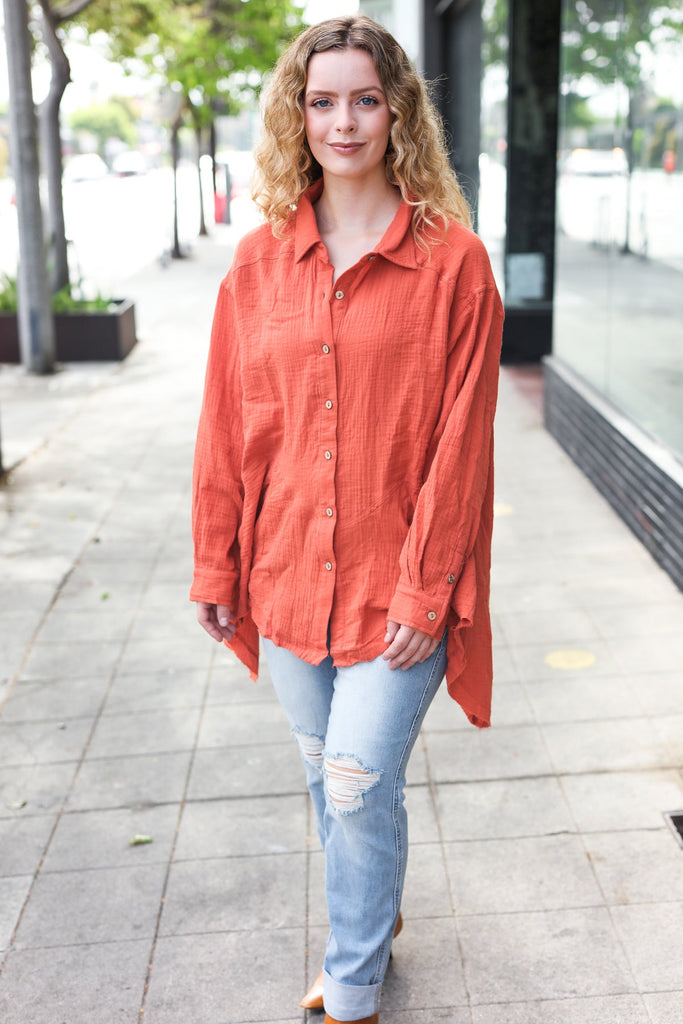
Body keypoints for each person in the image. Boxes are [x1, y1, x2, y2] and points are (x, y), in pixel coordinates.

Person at [191, 15, 503, 1024]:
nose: (343, 120)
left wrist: (427, 588)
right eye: (320, 101)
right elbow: (226, 423)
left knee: (357, 780)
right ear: (295, 115)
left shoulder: (453, 265)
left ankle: (355, 983)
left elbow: (462, 445)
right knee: (332, 784)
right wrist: (213, 564)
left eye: (364, 99)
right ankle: (379, 909)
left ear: (398, 110)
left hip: (396, 582)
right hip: (284, 577)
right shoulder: (254, 265)